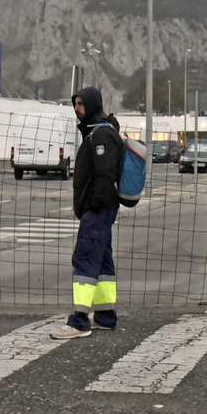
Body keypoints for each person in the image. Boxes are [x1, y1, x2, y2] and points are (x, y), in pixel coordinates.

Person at [52, 87, 123, 339]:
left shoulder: (101, 134)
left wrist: (93, 204)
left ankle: (79, 321)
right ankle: (105, 316)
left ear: (92, 105)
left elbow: (105, 176)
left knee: (84, 257)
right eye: (75, 103)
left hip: (98, 210)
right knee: (102, 261)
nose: (77, 108)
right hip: (100, 209)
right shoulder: (97, 132)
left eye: (81, 104)